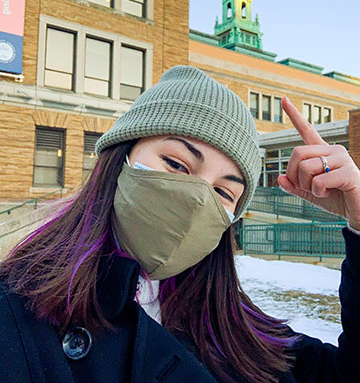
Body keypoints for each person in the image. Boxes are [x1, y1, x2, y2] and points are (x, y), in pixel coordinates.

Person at [0, 65, 360, 383]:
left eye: (223, 191)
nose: (197, 199)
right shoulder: (15, 314)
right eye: (176, 164)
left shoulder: (235, 331)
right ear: (120, 157)